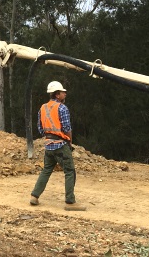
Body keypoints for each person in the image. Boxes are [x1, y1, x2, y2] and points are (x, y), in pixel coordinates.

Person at [29, 81, 86, 211]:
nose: (65, 94)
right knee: (70, 171)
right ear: (57, 94)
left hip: (48, 145)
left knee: (46, 170)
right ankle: (70, 202)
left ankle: (34, 196)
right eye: (63, 92)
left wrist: (49, 136)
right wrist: (69, 141)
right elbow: (66, 128)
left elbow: (40, 128)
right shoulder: (62, 108)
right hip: (61, 144)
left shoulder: (42, 108)